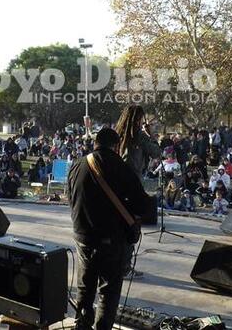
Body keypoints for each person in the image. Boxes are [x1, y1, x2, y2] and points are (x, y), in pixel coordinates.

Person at [68, 127, 149, 330]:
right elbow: (143, 206)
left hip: (83, 237)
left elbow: (70, 197)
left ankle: (81, 326)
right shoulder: (121, 168)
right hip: (111, 240)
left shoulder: (77, 164)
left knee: (85, 288)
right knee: (108, 291)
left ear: (95, 143)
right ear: (116, 145)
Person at [115, 105, 161, 176]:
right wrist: (150, 135)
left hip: (118, 174)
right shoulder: (139, 136)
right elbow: (156, 153)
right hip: (134, 176)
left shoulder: (118, 134)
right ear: (138, 120)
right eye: (142, 118)